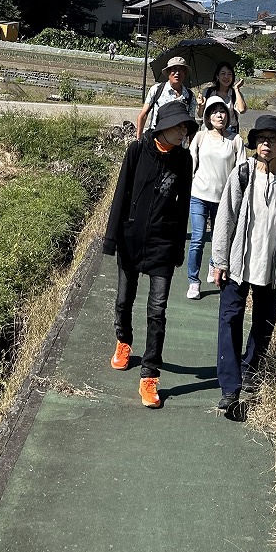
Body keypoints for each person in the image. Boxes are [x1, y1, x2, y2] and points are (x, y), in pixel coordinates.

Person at [211, 114, 276, 415]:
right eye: (261, 138)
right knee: (230, 320)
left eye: (273, 139)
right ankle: (230, 388)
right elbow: (225, 218)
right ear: (255, 142)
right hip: (237, 265)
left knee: (264, 323)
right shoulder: (242, 173)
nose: (266, 143)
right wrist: (219, 260)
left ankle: (251, 371)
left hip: (272, 267)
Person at [103, 100, 197, 409]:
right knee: (124, 299)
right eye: (178, 126)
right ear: (163, 127)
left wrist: (179, 247)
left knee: (157, 311)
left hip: (163, 245)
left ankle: (149, 374)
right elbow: (121, 193)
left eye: (186, 127)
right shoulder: (137, 151)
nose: (183, 132)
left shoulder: (184, 159)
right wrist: (112, 237)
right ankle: (124, 340)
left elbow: (183, 206)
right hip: (131, 239)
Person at [185, 97, 246, 299]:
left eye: (222, 112)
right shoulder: (200, 137)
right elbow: (191, 164)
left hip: (223, 199)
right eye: (214, 112)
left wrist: (239, 196)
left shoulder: (235, 140)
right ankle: (193, 281)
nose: (219, 116)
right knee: (197, 239)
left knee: (220, 238)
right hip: (199, 195)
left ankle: (214, 265)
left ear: (228, 116)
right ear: (207, 117)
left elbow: (241, 171)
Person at [135, 56, 197, 141]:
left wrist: (192, 147)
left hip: (178, 144)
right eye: (174, 69)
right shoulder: (157, 89)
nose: (177, 73)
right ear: (168, 72)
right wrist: (138, 139)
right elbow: (143, 115)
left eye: (181, 69)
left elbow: (191, 121)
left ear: (185, 73)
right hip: (155, 141)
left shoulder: (190, 96)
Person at [198, 63, 247, 131]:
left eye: (229, 74)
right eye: (223, 74)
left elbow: (242, 110)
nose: (226, 77)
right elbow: (200, 115)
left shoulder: (235, 94)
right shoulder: (208, 92)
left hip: (229, 131)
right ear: (217, 76)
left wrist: (236, 88)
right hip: (210, 130)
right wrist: (200, 106)